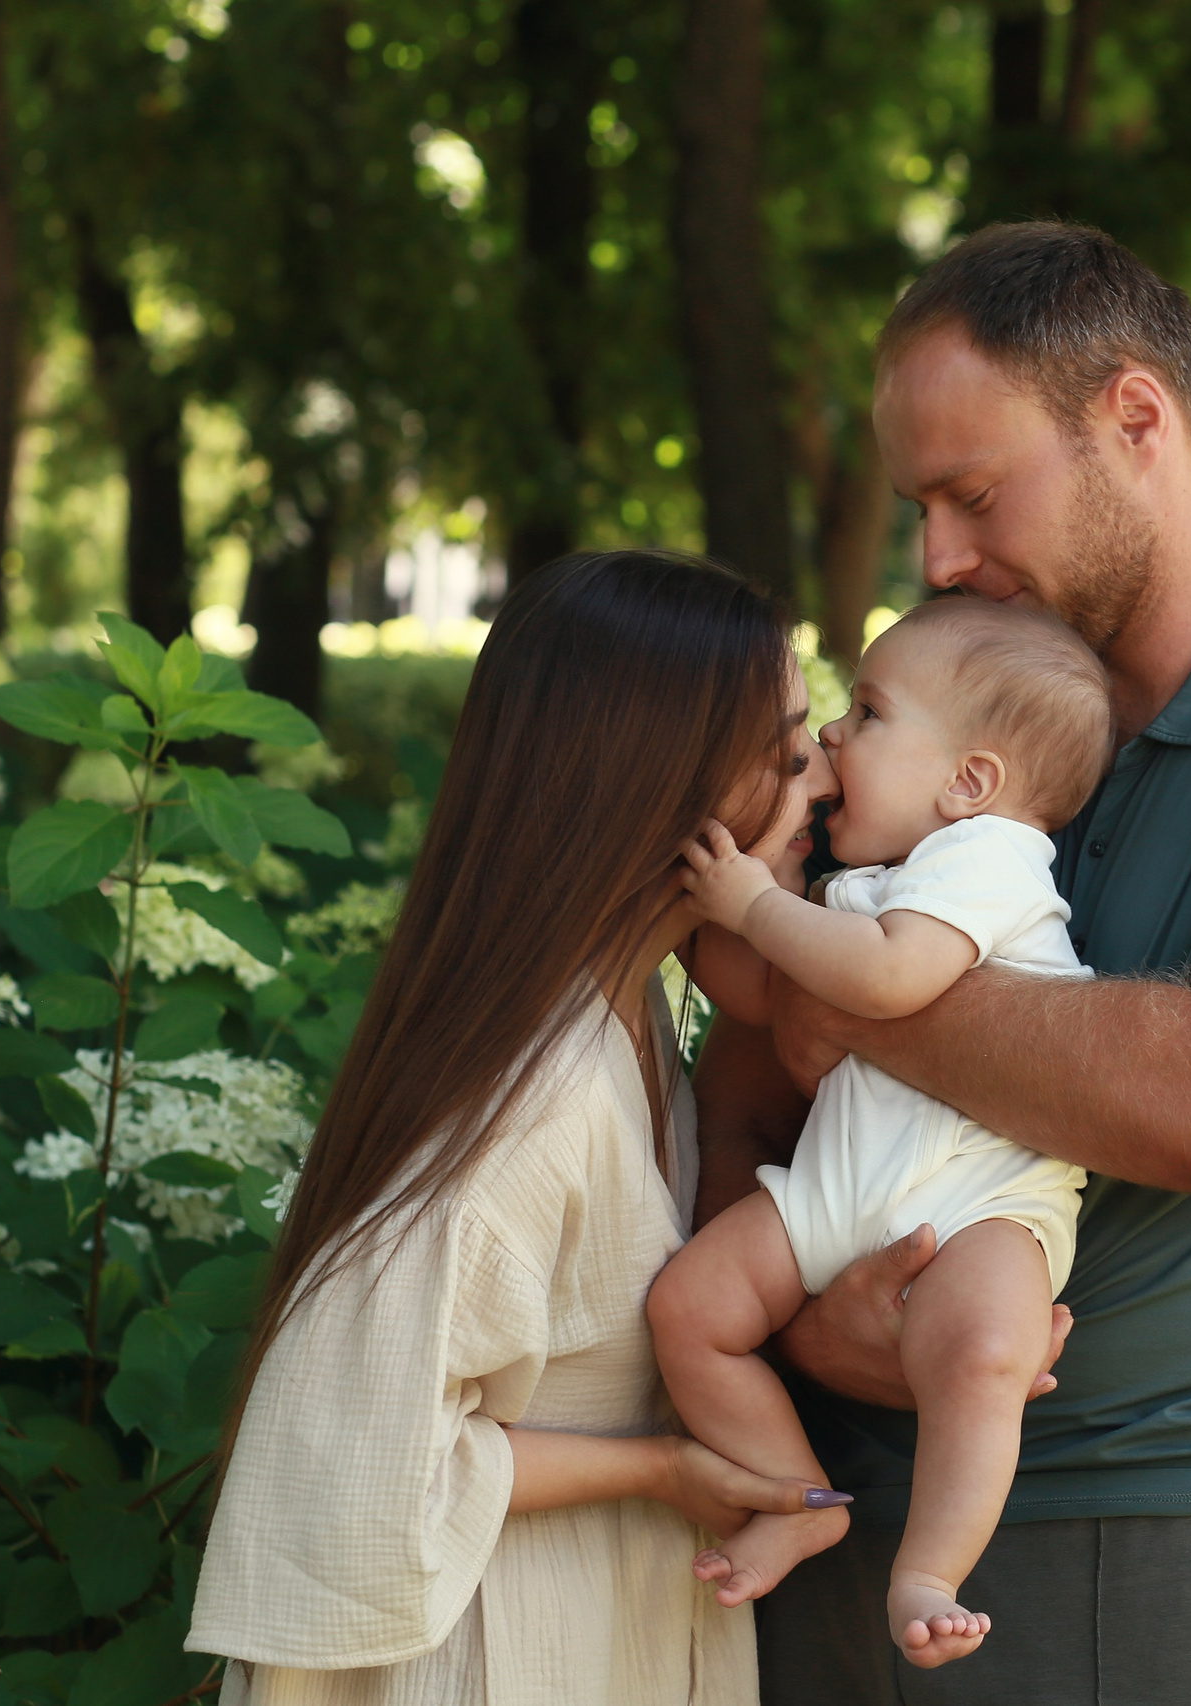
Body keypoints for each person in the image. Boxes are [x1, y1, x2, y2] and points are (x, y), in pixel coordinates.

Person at [695, 223, 1191, 1704]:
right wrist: (802, 1318)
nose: (939, 557)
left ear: (1135, 418)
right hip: (818, 1523)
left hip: (1163, 1537)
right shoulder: (917, 715)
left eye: (972, 494)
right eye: (920, 508)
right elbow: (742, 1092)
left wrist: (845, 986)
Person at [189, 551, 844, 1706]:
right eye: (787, 756)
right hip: (496, 1647)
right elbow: (363, 1462)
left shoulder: (631, 1009)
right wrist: (657, 1466)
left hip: (600, 1616)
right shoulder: (531, 1094)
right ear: (664, 783)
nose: (823, 784)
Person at [649, 598, 1116, 1668]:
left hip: (980, 1196)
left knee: (982, 1355)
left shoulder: (990, 857)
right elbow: (764, 995)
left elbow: (890, 978)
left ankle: (930, 1571)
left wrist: (752, 904)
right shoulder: (884, 878)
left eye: (867, 712)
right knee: (689, 1310)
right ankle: (799, 1495)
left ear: (970, 782)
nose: (830, 733)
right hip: (841, 1184)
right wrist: (701, 903)